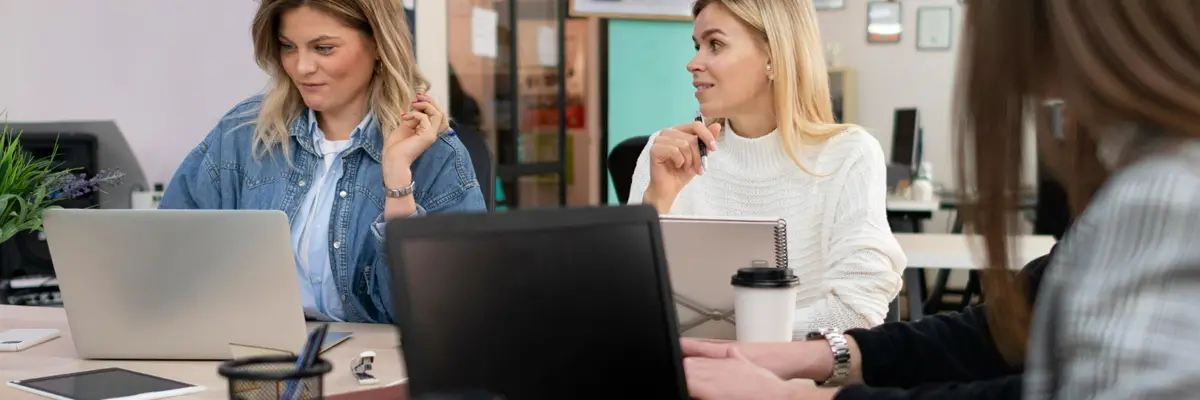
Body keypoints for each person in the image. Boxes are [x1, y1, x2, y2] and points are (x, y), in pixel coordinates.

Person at [159, 0, 486, 325]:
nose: (302, 67)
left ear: (377, 44)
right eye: (288, 47)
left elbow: (444, 313)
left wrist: (398, 180)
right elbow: (168, 254)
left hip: (382, 365)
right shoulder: (243, 133)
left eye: (324, 48)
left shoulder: (437, 155)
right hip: (258, 356)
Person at [628, 0, 905, 333]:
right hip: (690, 376)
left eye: (715, 44)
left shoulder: (849, 154)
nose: (693, 63)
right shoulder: (666, 155)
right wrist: (657, 200)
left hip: (799, 380)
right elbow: (630, 302)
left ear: (773, 56)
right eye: (696, 45)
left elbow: (859, 307)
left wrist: (742, 343)